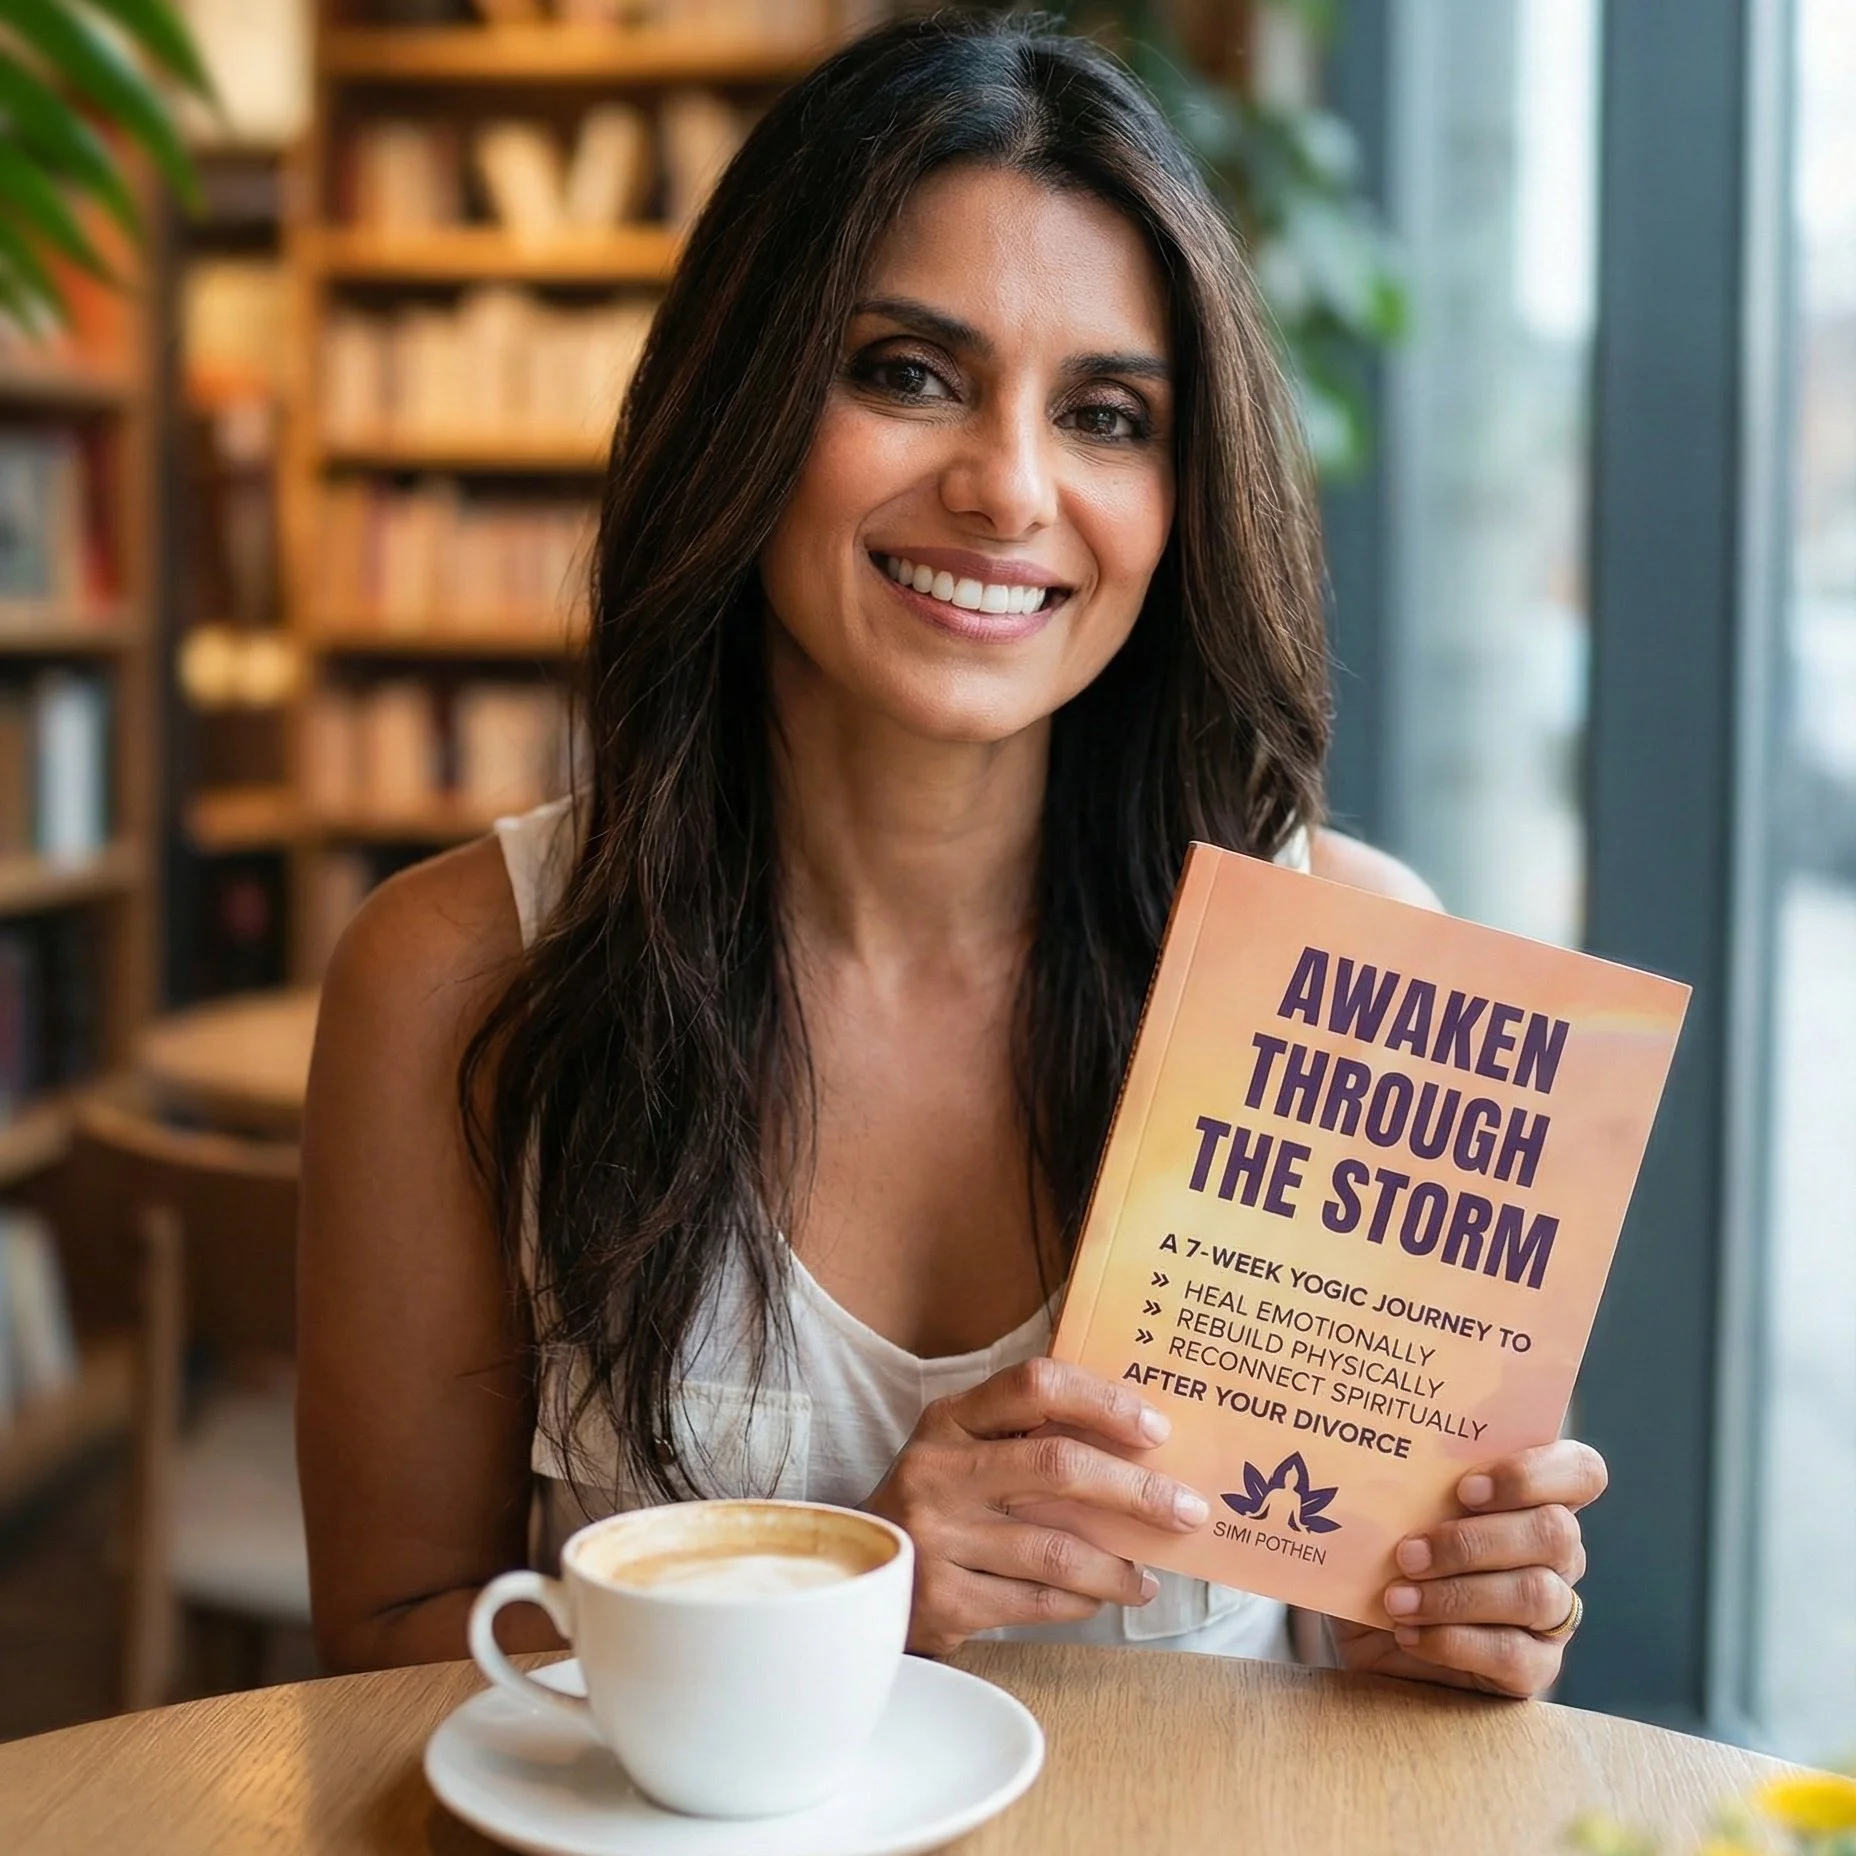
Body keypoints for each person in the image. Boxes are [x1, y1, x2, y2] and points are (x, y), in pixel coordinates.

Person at [297, 9, 1603, 1697]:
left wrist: (1441, 1623)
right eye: (907, 373)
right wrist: (838, 1600)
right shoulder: (456, 980)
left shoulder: (1348, 976)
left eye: (1110, 415)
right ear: (742, 406)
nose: (1007, 486)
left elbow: (1392, 1697)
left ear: (1185, 494)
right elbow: (383, 1651)